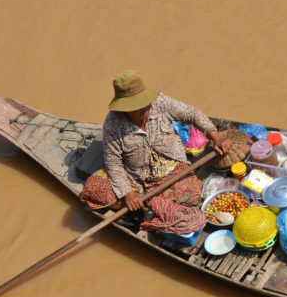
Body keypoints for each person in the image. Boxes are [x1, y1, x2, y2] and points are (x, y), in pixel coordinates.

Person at [82, 69, 231, 211]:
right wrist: (128, 193)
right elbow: (113, 163)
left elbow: (192, 114)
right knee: (93, 188)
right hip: (134, 176)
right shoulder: (113, 123)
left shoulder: (159, 102)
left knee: (191, 198)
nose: (146, 105)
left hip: (173, 169)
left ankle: (148, 205)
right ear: (125, 108)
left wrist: (216, 136)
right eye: (138, 104)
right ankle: (144, 204)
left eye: (145, 100)